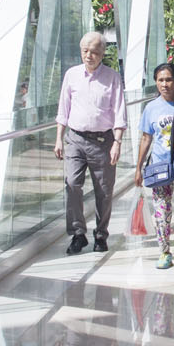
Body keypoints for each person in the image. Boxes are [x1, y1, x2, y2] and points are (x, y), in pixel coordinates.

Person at [55, 32, 126, 254]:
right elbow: (63, 109)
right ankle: (78, 234)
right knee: (72, 184)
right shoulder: (72, 75)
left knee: (104, 191)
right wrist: (59, 139)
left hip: (103, 141)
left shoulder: (112, 77)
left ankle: (101, 235)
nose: (89, 55)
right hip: (75, 139)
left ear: (102, 53)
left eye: (94, 52)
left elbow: (119, 112)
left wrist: (117, 142)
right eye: (85, 51)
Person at [135, 63, 174, 270]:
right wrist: (138, 168)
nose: (165, 84)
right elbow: (146, 138)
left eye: (169, 79)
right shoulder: (151, 108)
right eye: (160, 80)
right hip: (160, 169)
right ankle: (164, 251)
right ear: (156, 82)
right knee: (162, 213)